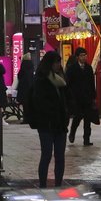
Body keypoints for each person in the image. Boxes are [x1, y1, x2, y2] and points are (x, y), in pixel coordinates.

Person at [30, 51, 69, 188]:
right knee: (46, 155)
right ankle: (42, 185)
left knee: (60, 156)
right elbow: (39, 102)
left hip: (60, 124)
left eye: (59, 62)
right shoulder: (41, 79)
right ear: (49, 63)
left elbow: (65, 100)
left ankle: (58, 184)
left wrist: (66, 115)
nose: (58, 65)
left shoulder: (61, 78)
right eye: (56, 62)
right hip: (46, 124)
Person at [65, 47, 97, 146]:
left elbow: (92, 83)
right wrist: (70, 97)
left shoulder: (88, 68)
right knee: (77, 117)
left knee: (87, 120)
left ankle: (86, 139)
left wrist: (93, 96)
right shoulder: (72, 69)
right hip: (76, 98)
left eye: (85, 55)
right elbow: (68, 83)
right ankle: (72, 132)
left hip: (87, 98)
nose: (84, 57)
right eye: (82, 55)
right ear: (77, 57)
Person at [16, 52, 35, 124]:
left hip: (23, 87)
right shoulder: (31, 65)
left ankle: (26, 119)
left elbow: (19, 75)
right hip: (30, 86)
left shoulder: (24, 65)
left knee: (25, 104)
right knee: (30, 104)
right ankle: (31, 118)